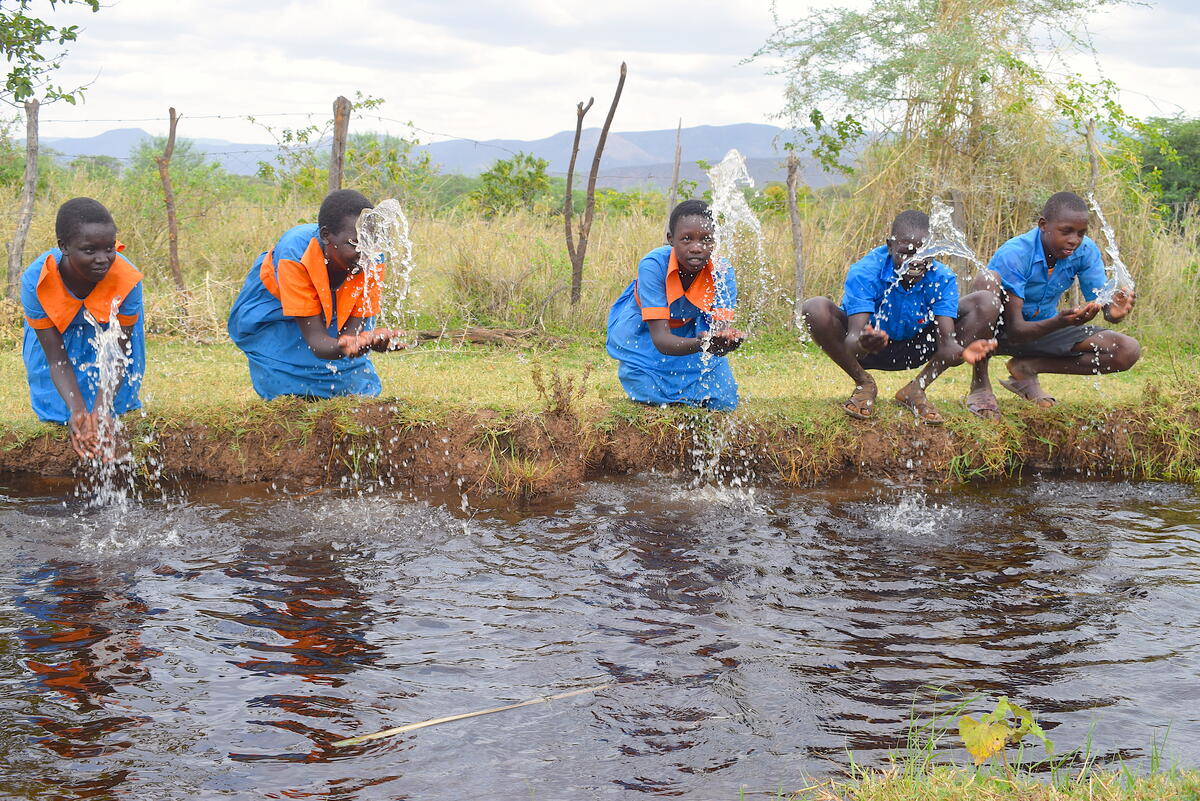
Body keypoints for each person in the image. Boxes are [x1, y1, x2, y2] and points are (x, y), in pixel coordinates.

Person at [802, 210, 1000, 424]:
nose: (915, 262)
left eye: (924, 254)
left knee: (987, 301)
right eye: (905, 253)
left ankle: (916, 389)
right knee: (815, 308)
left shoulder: (941, 278)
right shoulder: (865, 272)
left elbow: (947, 346)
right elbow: (851, 341)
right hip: (869, 348)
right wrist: (864, 342)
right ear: (890, 246)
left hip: (915, 348)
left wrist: (963, 353)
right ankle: (864, 383)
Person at [227, 189, 406, 400]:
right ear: (325, 235)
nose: (364, 253)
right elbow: (318, 343)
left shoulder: (371, 257)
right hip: (277, 311)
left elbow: (350, 337)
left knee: (352, 388)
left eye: (369, 243)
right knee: (290, 389)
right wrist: (345, 345)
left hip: (334, 308)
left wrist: (364, 341)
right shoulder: (294, 253)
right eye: (354, 243)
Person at [975, 191, 1139, 408]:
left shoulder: (1085, 250)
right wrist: (1061, 322)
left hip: (1045, 328)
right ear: (1043, 225)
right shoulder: (1015, 254)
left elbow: (1103, 301)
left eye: (1081, 233)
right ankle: (980, 386)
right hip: (1000, 333)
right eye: (1066, 231)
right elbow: (1016, 331)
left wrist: (1113, 312)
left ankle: (1027, 367)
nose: (1074, 240)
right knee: (986, 281)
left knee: (1127, 350)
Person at [21, 197, 145, 459]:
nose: (103, 259)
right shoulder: (38, 281)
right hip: (57, 332)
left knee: (114, 406)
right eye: (90, 251)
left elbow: (119, 354)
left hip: (107, 332)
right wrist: (77, 409)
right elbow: (55, 359)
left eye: (110, 248)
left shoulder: (126, 279)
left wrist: (102, 409)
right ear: (64, 246)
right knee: (57, 412)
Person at [606, 199, 745, 410]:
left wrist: (723, 342)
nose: (697, 247)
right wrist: (703, 345)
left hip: (691, 332)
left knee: (724, 400)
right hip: (647, 335)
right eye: (687, 239)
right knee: (648, 392)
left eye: (706, 240)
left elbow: (717, 336)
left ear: (714, 242)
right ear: (671, 239)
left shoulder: (722, 271)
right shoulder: (654, 266)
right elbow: (661, 340)